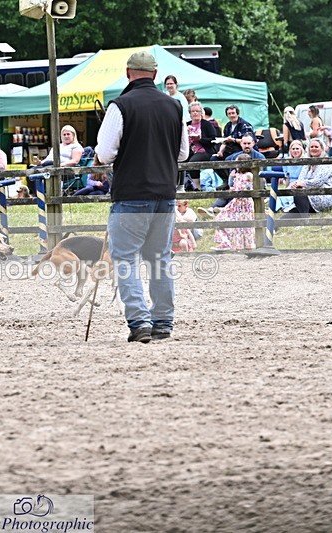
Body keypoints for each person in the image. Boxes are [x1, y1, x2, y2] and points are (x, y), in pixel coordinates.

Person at [95, 50, 189, 343]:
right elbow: (183, 153)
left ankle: (139, 322)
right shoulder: (174, 106)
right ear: (156, 75)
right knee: (160, 259)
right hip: (165, 193)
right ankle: (163, 321)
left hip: (131, 195)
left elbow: (105, 152)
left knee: (125, 260)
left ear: (128, 73)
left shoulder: (120, 105)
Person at [282, 138, 332, 218]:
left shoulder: (327, 162)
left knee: (300, 194)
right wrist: (297, 184)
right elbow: (300, 179)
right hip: (311, 195)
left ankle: (305, 220)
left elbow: (317, 182)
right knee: (295, 208)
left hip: (327, 195)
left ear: (322, 149)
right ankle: (274, 225)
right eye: (311, 147)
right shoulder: (307, 164)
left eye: (316, 147)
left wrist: (302, 184)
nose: (313, 148)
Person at [213, 154, 255, 250]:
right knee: (220, 219)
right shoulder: (236, 175)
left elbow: (250, 185)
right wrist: (231, 178)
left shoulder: (248, 175)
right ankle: (226, 242)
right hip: (236, 202)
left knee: (245, 225)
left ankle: (247, 246)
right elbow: (232, 187)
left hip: (245, 202)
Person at [185, 101, 218, 189]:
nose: (195, 113)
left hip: (205, 150)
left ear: (201, 112)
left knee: (192, 161)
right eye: (193, 111)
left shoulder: (207, 124)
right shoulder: (186, 125)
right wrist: (185, 133)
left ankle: (197, 186)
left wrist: (200, 139)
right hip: (190, 150)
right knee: (179, 159)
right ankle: (180, 186)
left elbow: (213, 139)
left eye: (197, 111)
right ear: (190, 113)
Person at [276, 140, 306, 213]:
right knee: (278, 195)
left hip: (300, 184)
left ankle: (290, 207)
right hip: (291, 184)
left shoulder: (306, 160)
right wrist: (286, 188)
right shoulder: (287, 161)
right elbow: (287, 178)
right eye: (293, 149)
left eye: (297, 149)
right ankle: (277, 208)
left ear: (301, 149)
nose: (295, 151)